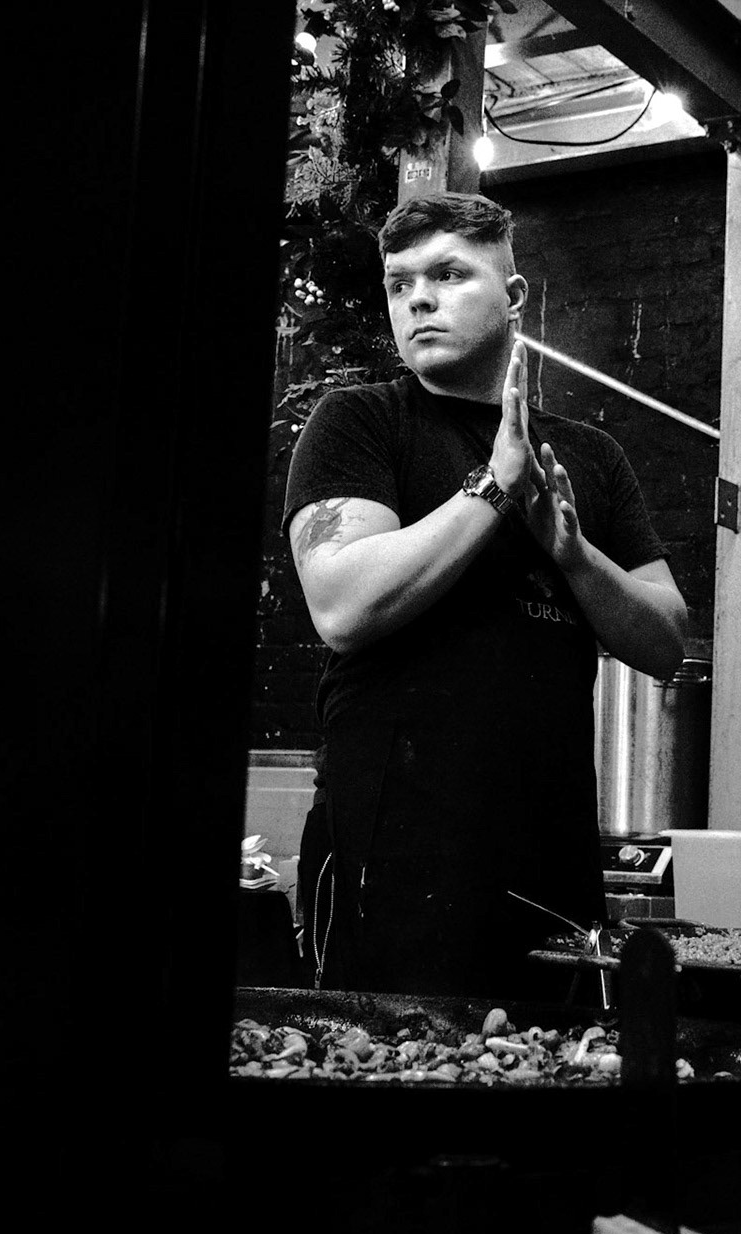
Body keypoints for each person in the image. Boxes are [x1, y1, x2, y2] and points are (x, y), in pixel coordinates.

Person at [282, 192, 688, 998]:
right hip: (388, 857)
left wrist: (573, 557)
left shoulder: (588, 457)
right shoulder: (360, 423)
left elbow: (665, 641)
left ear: (514, 295)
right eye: (400, 285)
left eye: (448, 274)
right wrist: (493, 487)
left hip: (549, 861)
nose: (418, 299)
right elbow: (341, 604)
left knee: (550, 1093)